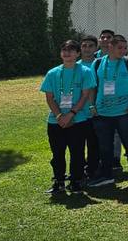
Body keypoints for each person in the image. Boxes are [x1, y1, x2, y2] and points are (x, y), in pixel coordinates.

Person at [89, 35, 128, 187]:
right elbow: (92, 86)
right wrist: (92, 105)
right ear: (110, 47)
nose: (123, 50)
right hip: (102, 113)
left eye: (125, 47)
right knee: (105, 146)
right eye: (119, 47)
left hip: (124, 113)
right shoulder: (97, 63)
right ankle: (107, 175)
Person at [41, 40, 96, 194]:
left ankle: (76, 181)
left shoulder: (85, 71)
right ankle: (58, 181)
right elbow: (49, 98)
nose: (67, 53)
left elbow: (85, 96)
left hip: (78, 120)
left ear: (77, 53)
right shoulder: (52, 73)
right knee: (57, 153)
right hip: (55, 121)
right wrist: (59, 116)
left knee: (77, 152)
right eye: (64, 50)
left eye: (71, 50)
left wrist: (71, 114)